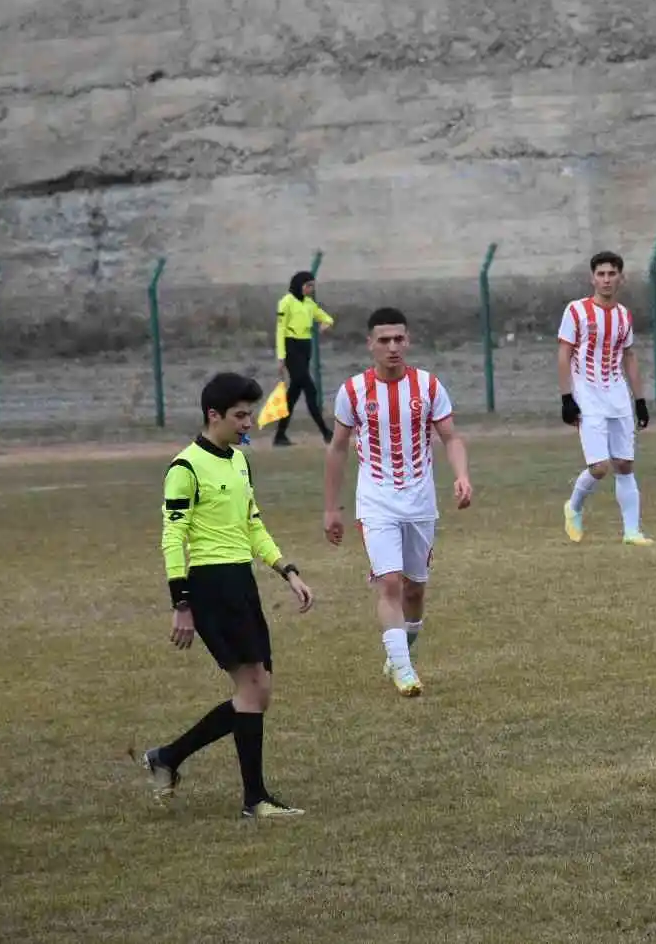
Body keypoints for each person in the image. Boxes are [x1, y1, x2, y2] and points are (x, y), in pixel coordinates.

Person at [137, 373, 316, 819]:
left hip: (242, 583)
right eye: (240, 415)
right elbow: (171, 538)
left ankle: (168, 757)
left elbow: (252, 523)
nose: (249, 422)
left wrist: (285, 569)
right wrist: (181, 604)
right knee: (253, 689)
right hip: (210, 586)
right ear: (213, 415)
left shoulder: (239, 461)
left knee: (258, 692)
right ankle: (254, 799)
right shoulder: (185, 468)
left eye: (250, 413)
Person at [323, 308, 472, 697]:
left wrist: (461, 475)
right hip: (376, 502)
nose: (392, 347)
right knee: (389, 582)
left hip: (420, 502)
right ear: (370, 344)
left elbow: (451, 437)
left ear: (408, 341)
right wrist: (331, 508)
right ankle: (405, 673)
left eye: (398, 339)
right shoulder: (353, 391)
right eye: (384, 340)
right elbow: (338, 449)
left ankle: (400, 652)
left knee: (415, 591)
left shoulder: (429, 386)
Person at [557, 251, 653, 546]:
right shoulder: (576, 311)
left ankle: (632, 532)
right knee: (600, 468)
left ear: (621, 278)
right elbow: (563, 353)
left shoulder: (624, 315)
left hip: (617, 394)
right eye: (601, 274)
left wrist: (640, 400)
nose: (606, 279)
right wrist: (566, 398)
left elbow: (629, 356)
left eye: (612, 274)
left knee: (624, 463)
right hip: (587, 394)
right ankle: (572, 507)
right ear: (592, 278)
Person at [273, 271, 335, 447]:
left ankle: (280, 435)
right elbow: (280, 330)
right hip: (291, 346)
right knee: (310, 389)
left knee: (293, 394)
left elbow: (326, 318)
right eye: (308, 286)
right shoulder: (286, 302)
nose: (310, 289)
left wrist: (325, 324)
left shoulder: (309, 304)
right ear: (299, 285)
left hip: (305, 346)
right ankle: (325, 432)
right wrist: (281, 357)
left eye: (312, 286)